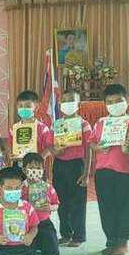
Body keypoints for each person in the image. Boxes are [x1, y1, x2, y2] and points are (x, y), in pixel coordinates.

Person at [91, 83, 129, 255]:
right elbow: (92, 142)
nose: (114, 105)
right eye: (109, 102)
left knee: (125, 207)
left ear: (127, 101)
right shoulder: (101, 123)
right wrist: (98, 147)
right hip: (103, 171)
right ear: (105, 104)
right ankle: (111, 240)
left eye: (118, 101)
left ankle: (123, 242)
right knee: (106, 206)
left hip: (126, 171)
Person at [51, 90, 92, 246]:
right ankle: (66, 234)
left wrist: (86, 173)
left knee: (77, 203)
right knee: (61, 202)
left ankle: (79, 236)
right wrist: (57, 151)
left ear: (78, 104)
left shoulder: (84, 125)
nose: (67, 104)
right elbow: (52, 147)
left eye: (71, 101)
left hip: (77, 165)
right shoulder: (57, 124)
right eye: (64, 101)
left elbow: (88, 150)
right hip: (59, 165)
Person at [21, 153, 60, 255]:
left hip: (44, 223)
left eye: (38, 168)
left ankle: (41, 244)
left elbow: (56, 204)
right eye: (31, 168)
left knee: (53, 252)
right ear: (24, 170)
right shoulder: (20, 187)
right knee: (27, 254)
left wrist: (50, 207)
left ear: (43, 170)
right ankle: (34, 245)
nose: (35, 171)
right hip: (27, 225)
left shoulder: (47, 187)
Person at [7, 90, 53, 164]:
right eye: (20, 106)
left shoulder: (43, 129)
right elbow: (10, 146)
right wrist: (11, 154)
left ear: (36, 107)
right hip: (18, 165)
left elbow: (50, 147)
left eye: (27, 106)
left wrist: (40, 158)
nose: (23, 108)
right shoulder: (14, 128)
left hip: (36, 166)